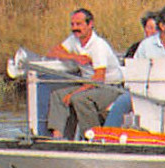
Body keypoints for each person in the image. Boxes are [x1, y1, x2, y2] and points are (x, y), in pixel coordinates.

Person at [46, 8, 125, 138]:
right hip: (89, 85)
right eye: (73, 24)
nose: (75, 28)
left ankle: (93, 136)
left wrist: (74, 93)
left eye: (79, 24)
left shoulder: (98, 45)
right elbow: (52, 52)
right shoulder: (73, 40)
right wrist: (74, 57)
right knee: (57, 96)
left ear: (90, 24)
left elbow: (99, 78)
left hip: (110, 87)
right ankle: (59, 136)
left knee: (79, 99)